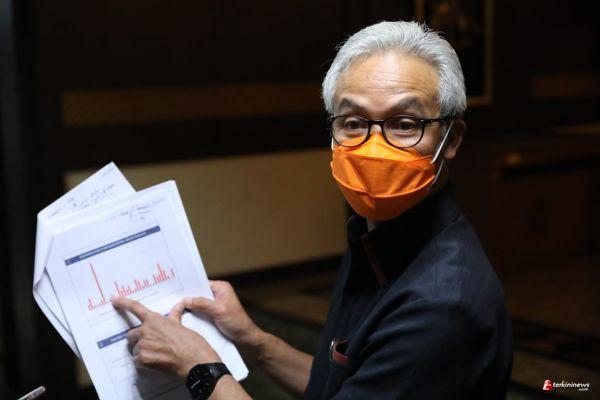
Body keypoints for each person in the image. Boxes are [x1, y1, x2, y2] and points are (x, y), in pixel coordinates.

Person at [112, 20, 513, 400]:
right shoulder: (375, 237)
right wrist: (254, 341)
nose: (375, 147)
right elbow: (348, 384)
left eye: (405, 124)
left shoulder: (441, 307)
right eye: (353, 123)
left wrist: (199, 367)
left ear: (452, 138)